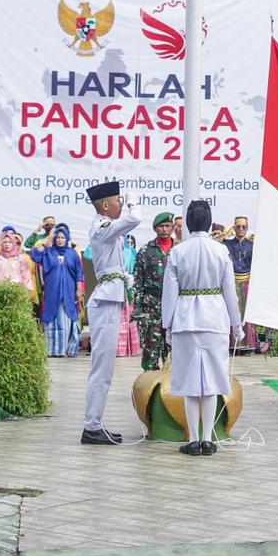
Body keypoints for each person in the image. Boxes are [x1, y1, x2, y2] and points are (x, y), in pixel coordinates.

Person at [161, 200, 242, 456]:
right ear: (208, 222)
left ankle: (193, 439)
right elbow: (231, 293)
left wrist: (168, 324)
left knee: (189, 382)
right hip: (215, 319)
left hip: (185, 319)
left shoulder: (178, 251)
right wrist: (236, 324)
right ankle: (207, 439)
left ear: (187, 222)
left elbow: (169, 293)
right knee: (211, 381)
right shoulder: (221, 251)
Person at [80, 182, 141, 445]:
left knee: (105, 368)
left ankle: (95, 424)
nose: (120, 203)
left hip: (110, 298)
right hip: (105, 301)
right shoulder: (102, 227)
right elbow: (135, 218)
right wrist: (133, 202)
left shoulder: (106, 228)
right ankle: (91, 427)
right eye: (117, 200)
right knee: (101, 368)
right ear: (105, 205)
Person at [30, 224, 84, 357]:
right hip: (52, 291)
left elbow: (78, 273)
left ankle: (65, 349)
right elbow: (35, 256)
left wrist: (78, 289)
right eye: (58, 237)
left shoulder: (72, 254)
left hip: (68, 292)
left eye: (62, 237)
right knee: (52, 320)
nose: (60, 240)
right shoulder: (48, 252)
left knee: (66, 320)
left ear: (66, 239)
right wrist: (46, 244)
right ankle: (51, 350)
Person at [133, 212, 176, 371]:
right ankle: (148, 390)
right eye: (160, 226)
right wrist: (137, 308)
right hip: (151, 307)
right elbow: (138, 281)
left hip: (174, 307)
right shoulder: (145, 251)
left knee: (173, 353)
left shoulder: (180, 249)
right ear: (155, 229)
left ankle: (171, 392)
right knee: (150, 351)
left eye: (167, 226)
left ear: (172, 228)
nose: (164, 229)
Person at [223, 216, 264, 353]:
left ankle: (248, 345)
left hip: (247, 281)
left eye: (243, 227)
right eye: (238, 226)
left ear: (247, 228)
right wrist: (228, 231)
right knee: (232, 312)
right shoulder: (227, 245)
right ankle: (232, 345)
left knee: (246, 314)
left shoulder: (252, 245)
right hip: (232, 281)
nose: (241, 229)